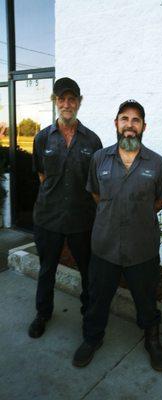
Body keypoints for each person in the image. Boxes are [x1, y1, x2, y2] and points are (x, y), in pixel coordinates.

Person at [72, 99, 162, 372]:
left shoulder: (158, 164)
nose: (130, 125)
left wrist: (136, 212)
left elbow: (160, 200)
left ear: (144, 127)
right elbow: (96, 194)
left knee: (147, 301)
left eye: (135, 120)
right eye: (124, 119)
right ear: (116, 123)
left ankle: (152, 340)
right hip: (105, 245)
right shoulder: (99, 159)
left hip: (142, 248)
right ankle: (92, 338)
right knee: (97, 299)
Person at [28, 77, 102, 338]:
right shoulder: (42, 138)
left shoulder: (92, 141)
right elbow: (41, 176)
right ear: (55, 102)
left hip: (82, 220)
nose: (67, 104)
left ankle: (88, 314)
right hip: (48, 218)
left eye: (72, 99)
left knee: (88, 272)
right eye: (62, 99)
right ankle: (42, 313)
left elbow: (96, 183)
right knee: (47, 269)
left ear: (79, 103)